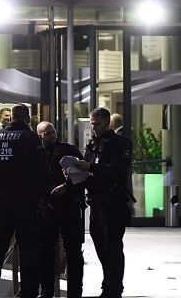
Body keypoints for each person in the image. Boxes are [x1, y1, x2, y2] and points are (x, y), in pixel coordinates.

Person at [0, 104, 49, 298]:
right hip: (25, 204)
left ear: (10, 118)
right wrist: (38, 198)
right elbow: (42, 171)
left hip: (0, 203)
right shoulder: (30, 138)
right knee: (28, 250)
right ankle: (29, 292)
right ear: (27, 119)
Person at [78, 107, 134, 298]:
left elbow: (118, 171)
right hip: (96, 203)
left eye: (97, 124)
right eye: (92, 124)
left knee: (113, 247)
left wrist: (91, 167)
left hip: (113, 203)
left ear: (108, 123)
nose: (94, 128)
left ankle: (114, 288)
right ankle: (107, 283)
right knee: (101, 246)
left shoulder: (120, 143)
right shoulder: (92, 144)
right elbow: (87, 168)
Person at [36, 121, 84, 298]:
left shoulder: (68, 150)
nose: (51, 135)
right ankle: (46, 291)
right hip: (46, 209)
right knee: (45, 252)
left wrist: (66, 186)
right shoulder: (37, 153)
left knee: (74, 253)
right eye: (47, 133)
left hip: (68, 207)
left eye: (53, 131)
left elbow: (81, 174)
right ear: (40, 135)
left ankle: (75, 292)